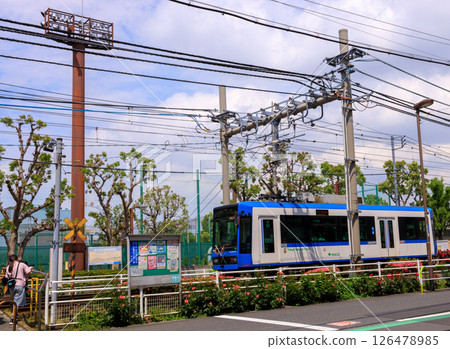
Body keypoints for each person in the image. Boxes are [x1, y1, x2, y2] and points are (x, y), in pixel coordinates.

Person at [5, 254, 33, 324]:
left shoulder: (8, 266)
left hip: (12, 286)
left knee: (15, 301)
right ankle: (13, 318)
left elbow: (7, 276)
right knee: (17, 303)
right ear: (17, 258)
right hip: (20, 285)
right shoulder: (22, 264)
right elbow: (29, 273)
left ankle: (15, 315)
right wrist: (30, 268)